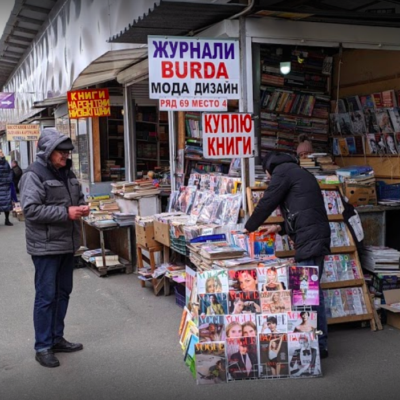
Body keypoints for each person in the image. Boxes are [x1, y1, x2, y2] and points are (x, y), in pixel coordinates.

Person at [244, 151, 331, 359]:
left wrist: (248, 227)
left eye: (266, 175)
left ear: (268, 169)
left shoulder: (282, 172)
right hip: (317, 236)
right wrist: (279, 229)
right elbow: (304, 212)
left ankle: (318, 344)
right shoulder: (300, 172)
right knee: (312, 291)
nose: (267, 179)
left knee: (308, 294)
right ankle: (320, 343)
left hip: (311, 239)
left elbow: (267, 202)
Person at [19, 128, 90, 368]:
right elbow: (30, 210)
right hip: (45, 246)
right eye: (61, 152)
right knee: (46, 296)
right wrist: (66, 212)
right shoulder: (33, 175)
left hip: (66, 244)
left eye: (67, 152)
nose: (65, 156)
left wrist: (81, 206)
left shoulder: (67, 173)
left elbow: (75, 198)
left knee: (63, 293)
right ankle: (43, 346)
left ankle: (56, 338)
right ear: (48, 151)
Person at [0, 149, 14, 226]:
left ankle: (7, 220)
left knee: (7, 203)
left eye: (1, 152)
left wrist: (9, 180)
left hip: (5, 185)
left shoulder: (6, 162)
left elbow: (10, 171)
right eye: (0, 152)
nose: (1, 153)